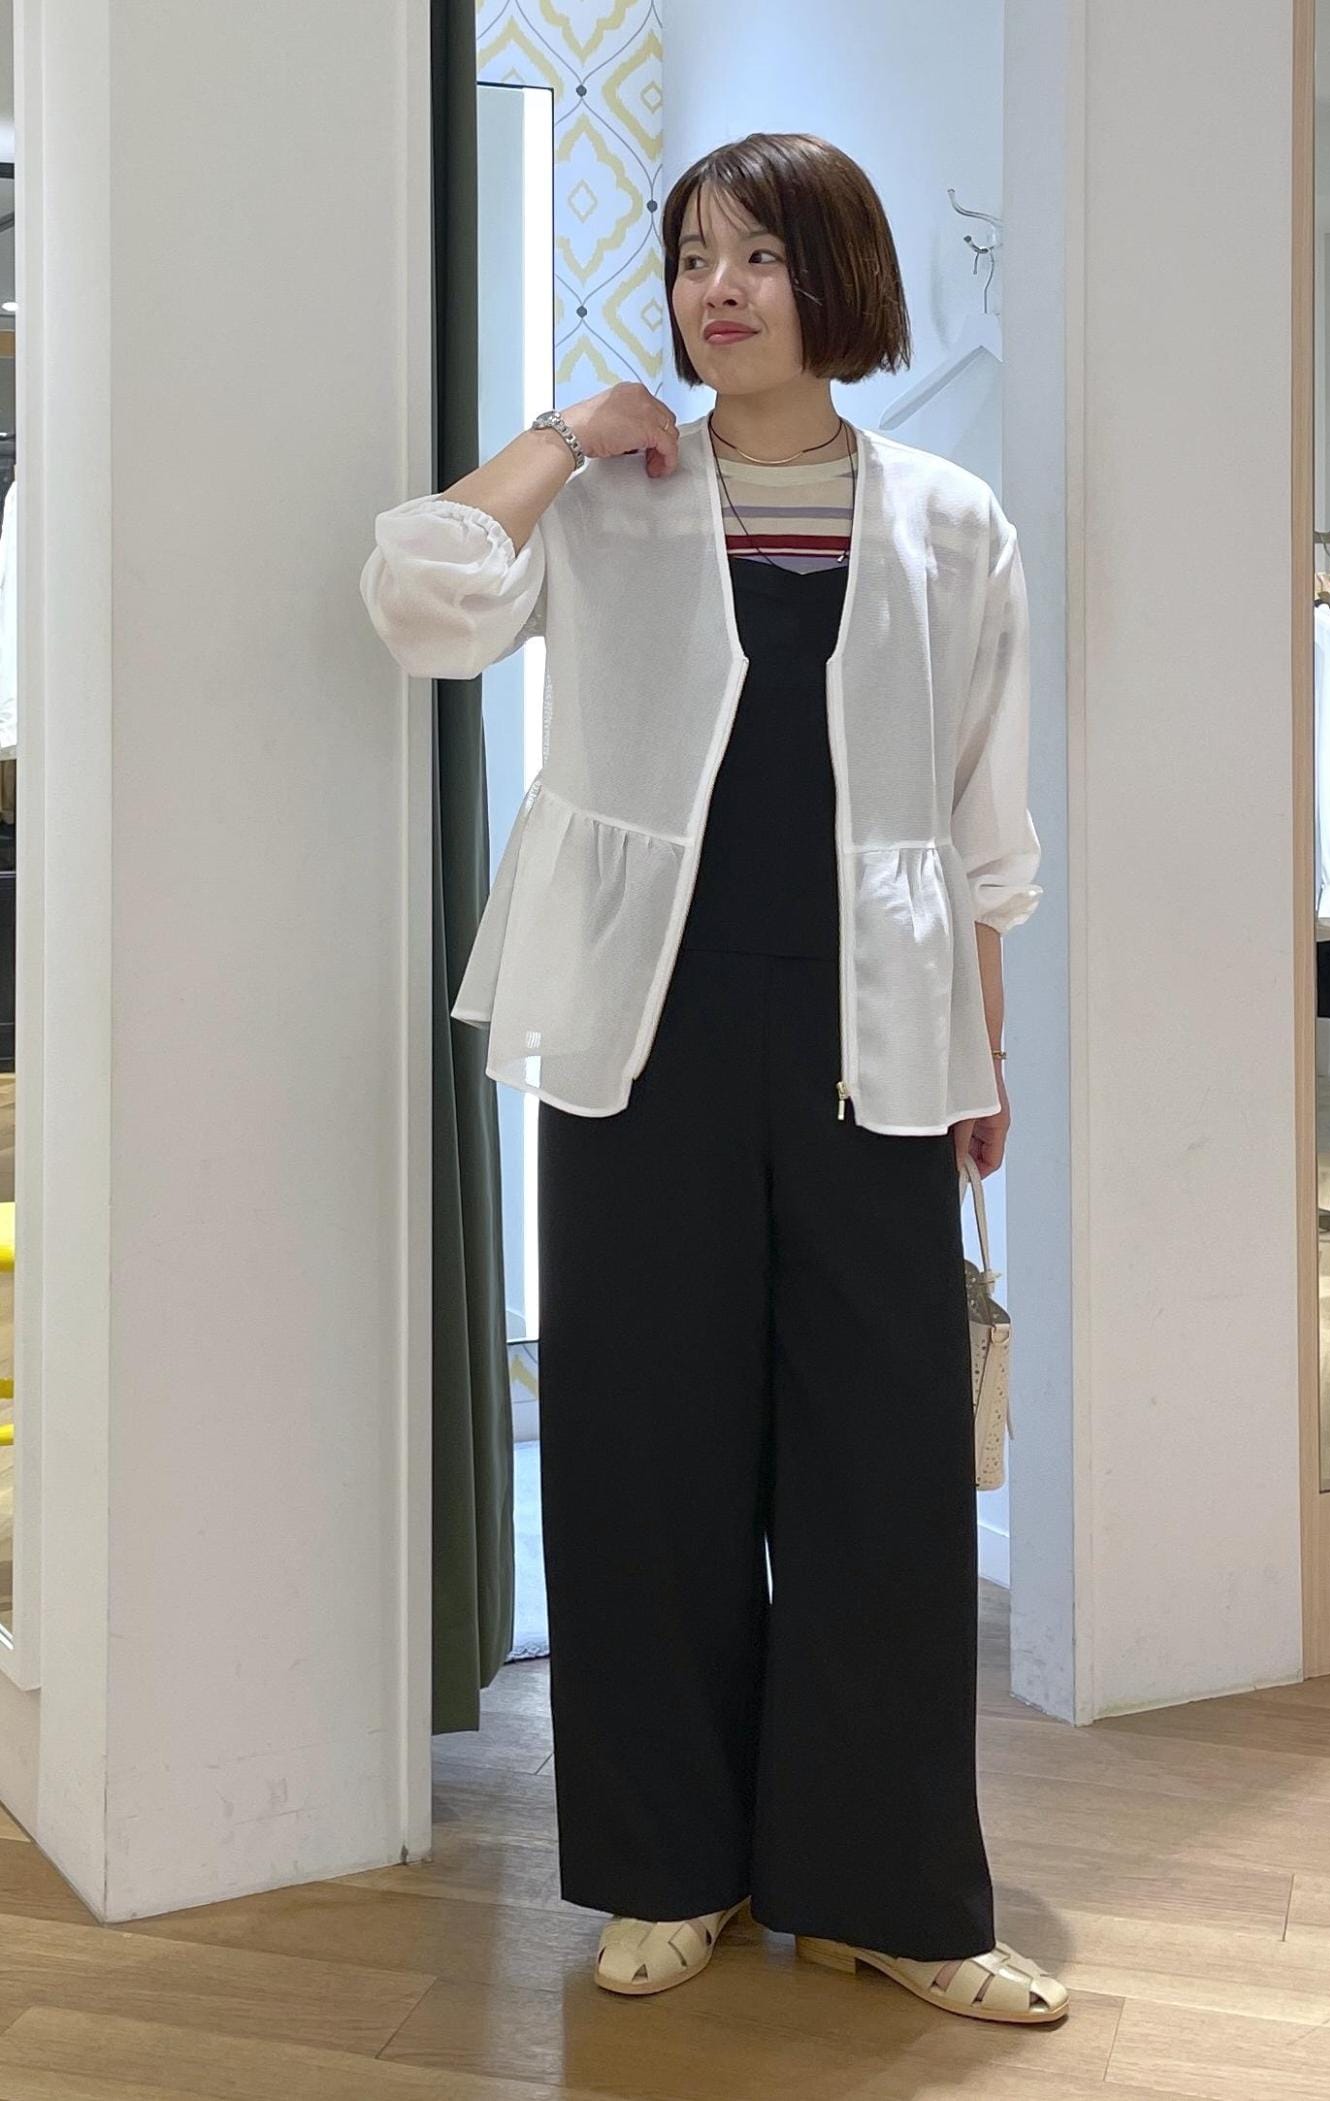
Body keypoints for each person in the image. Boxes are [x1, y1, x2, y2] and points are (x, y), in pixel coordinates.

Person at [360, 131, 1064, 2027]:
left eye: (758, 252)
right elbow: (420, 596)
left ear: (840, 276)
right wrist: (562, 433)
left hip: (875, 1045)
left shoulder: (951, 519)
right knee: (642, 1450)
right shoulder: (613, 500)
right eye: (693, 257)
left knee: (885, 1472)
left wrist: (982, 1048)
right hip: (640, 1040)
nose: (718, 288)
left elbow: (983, 826)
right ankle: (671, 1867)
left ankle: (891, 1891)